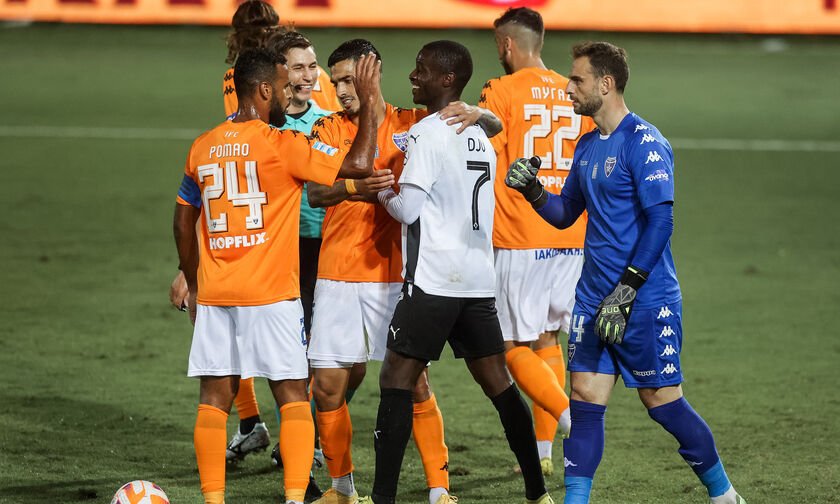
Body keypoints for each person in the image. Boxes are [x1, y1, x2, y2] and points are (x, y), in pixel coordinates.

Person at [504, 41, 746, 504]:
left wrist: (627, 290)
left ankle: (724, 495)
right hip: (594, 299)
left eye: (577, 80)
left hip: (644, 300)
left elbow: (661, 222)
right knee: (584, 398)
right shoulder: (587, 145)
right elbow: (565, 213)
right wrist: (533, 190)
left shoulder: (645, 143)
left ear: (606, 84)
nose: (568, 88)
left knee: (662, 402)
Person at [172, 47, 381, 504]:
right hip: (272, 295)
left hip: (218, 294)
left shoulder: (203, 145)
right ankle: (293, 499)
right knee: (292, 397)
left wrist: (194, 280)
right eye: (285, 87)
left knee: (213, 400)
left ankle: (213, 500)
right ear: (265, 90)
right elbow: (360, 163)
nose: (292, 94)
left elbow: (183, 218)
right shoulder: (282, 144)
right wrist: (369, 103)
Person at [306, 38, 500, 504]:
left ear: (373, 74)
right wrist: (357, 187)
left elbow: (493, 129)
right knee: (327, 388)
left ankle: (439, 488)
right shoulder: (326, 127)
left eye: (351, 80)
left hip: (397, 276)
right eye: (336, 83)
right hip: (337, 273)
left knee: (415, 384)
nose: (342, 91)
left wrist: (479, 112)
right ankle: (342, 488)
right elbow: (316, 193)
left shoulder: (414, 122)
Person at [366, 40, 552, 504]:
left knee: (395, 380)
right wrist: (481, 114)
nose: (413, 76)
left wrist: (380, 191)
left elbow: (408, 210)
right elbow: (494, 125)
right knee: (499, 384)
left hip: (432, 280)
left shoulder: (427, 133)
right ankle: (538, 492)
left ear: (447, 79)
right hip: (476, 281)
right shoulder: (479, 135)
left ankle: (383, 498)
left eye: (422, 69)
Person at [479, 6, 595, 476]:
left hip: (519, 235)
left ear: (507, 45)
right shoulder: (572, 91)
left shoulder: (501, 90)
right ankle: (545, 453)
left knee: (508, 344)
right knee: (546, 337)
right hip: (570, 233)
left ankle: (571, 419)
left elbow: (483, 155)